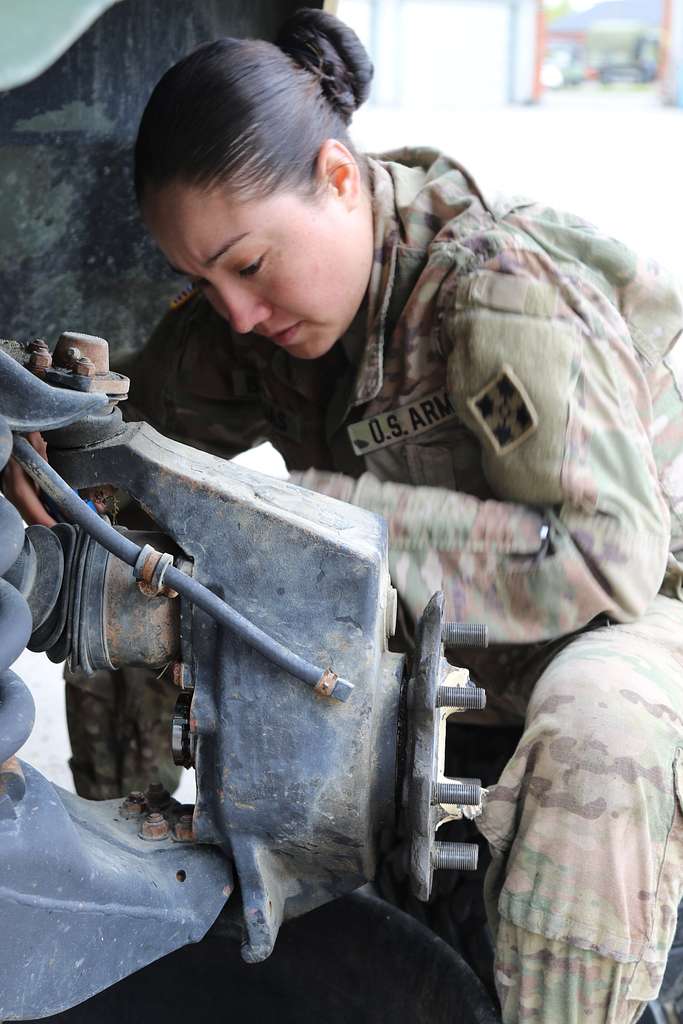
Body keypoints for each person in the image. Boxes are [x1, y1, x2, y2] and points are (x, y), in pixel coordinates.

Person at [16, 8, 683, 1021]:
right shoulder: (260, 322)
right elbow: (122, 445)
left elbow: (608, 555)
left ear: (335, 178)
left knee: (598, 724)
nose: (235, 309)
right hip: (455, 631)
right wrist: (36, 442)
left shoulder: (492, 289)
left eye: (246, 265)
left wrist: (322, 524)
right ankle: (160, 928)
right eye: (201, 280)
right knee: (143, 562)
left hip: (631, 612)